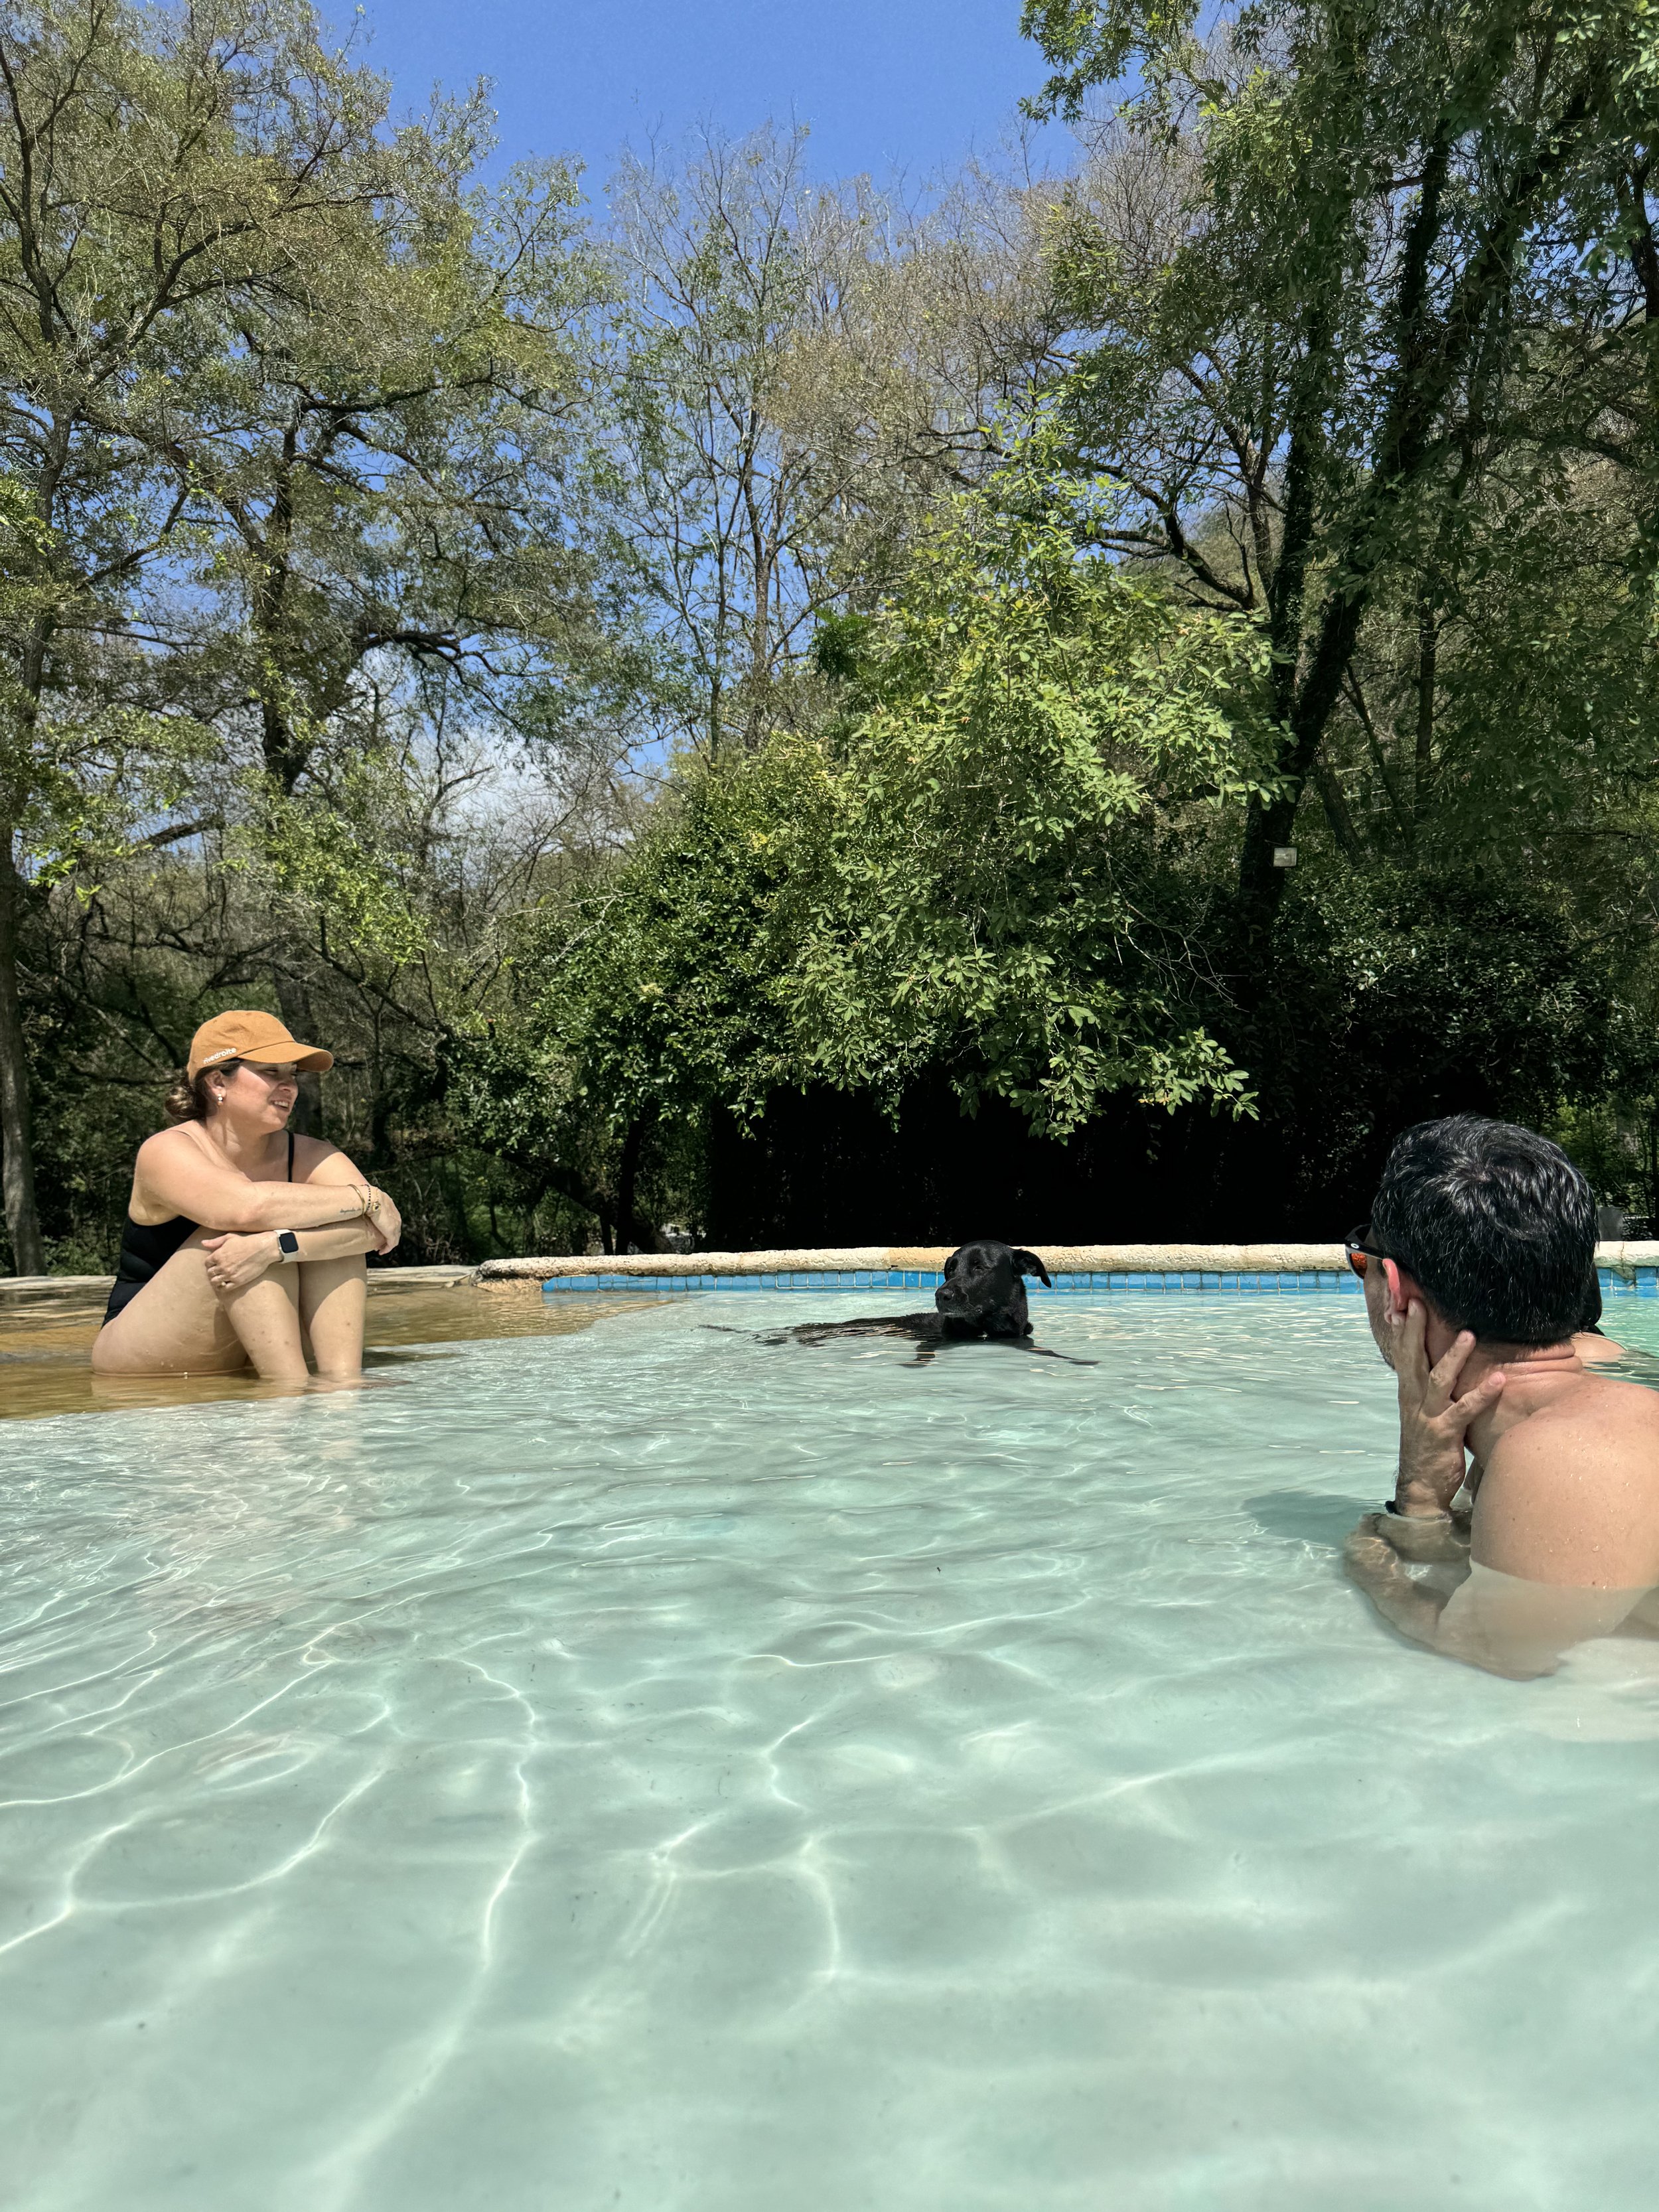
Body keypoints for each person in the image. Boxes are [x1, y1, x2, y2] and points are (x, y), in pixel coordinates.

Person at [1342, 1115, 1659, 1677]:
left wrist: (1378, 1574)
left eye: (1360, 1258)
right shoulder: (1543, 1436)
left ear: (1397, 1291)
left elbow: (1507, 1660)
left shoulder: (1564, 1455)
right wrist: (1420, 1496)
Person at [92, 1011, 401, 1385]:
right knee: (243, 1237)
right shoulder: (166, 1151)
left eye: (293, 1075)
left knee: (294, 1242)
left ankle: (343, 1389)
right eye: (272, 1072)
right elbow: (246, 1208)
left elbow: (379, 1231)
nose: (289, 1087)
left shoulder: (311, 1154)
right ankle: (290, 1394)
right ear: (218, 1082)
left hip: (261, 1336)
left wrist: (281, 1247)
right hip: (148, 1348)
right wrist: (370, 1198)